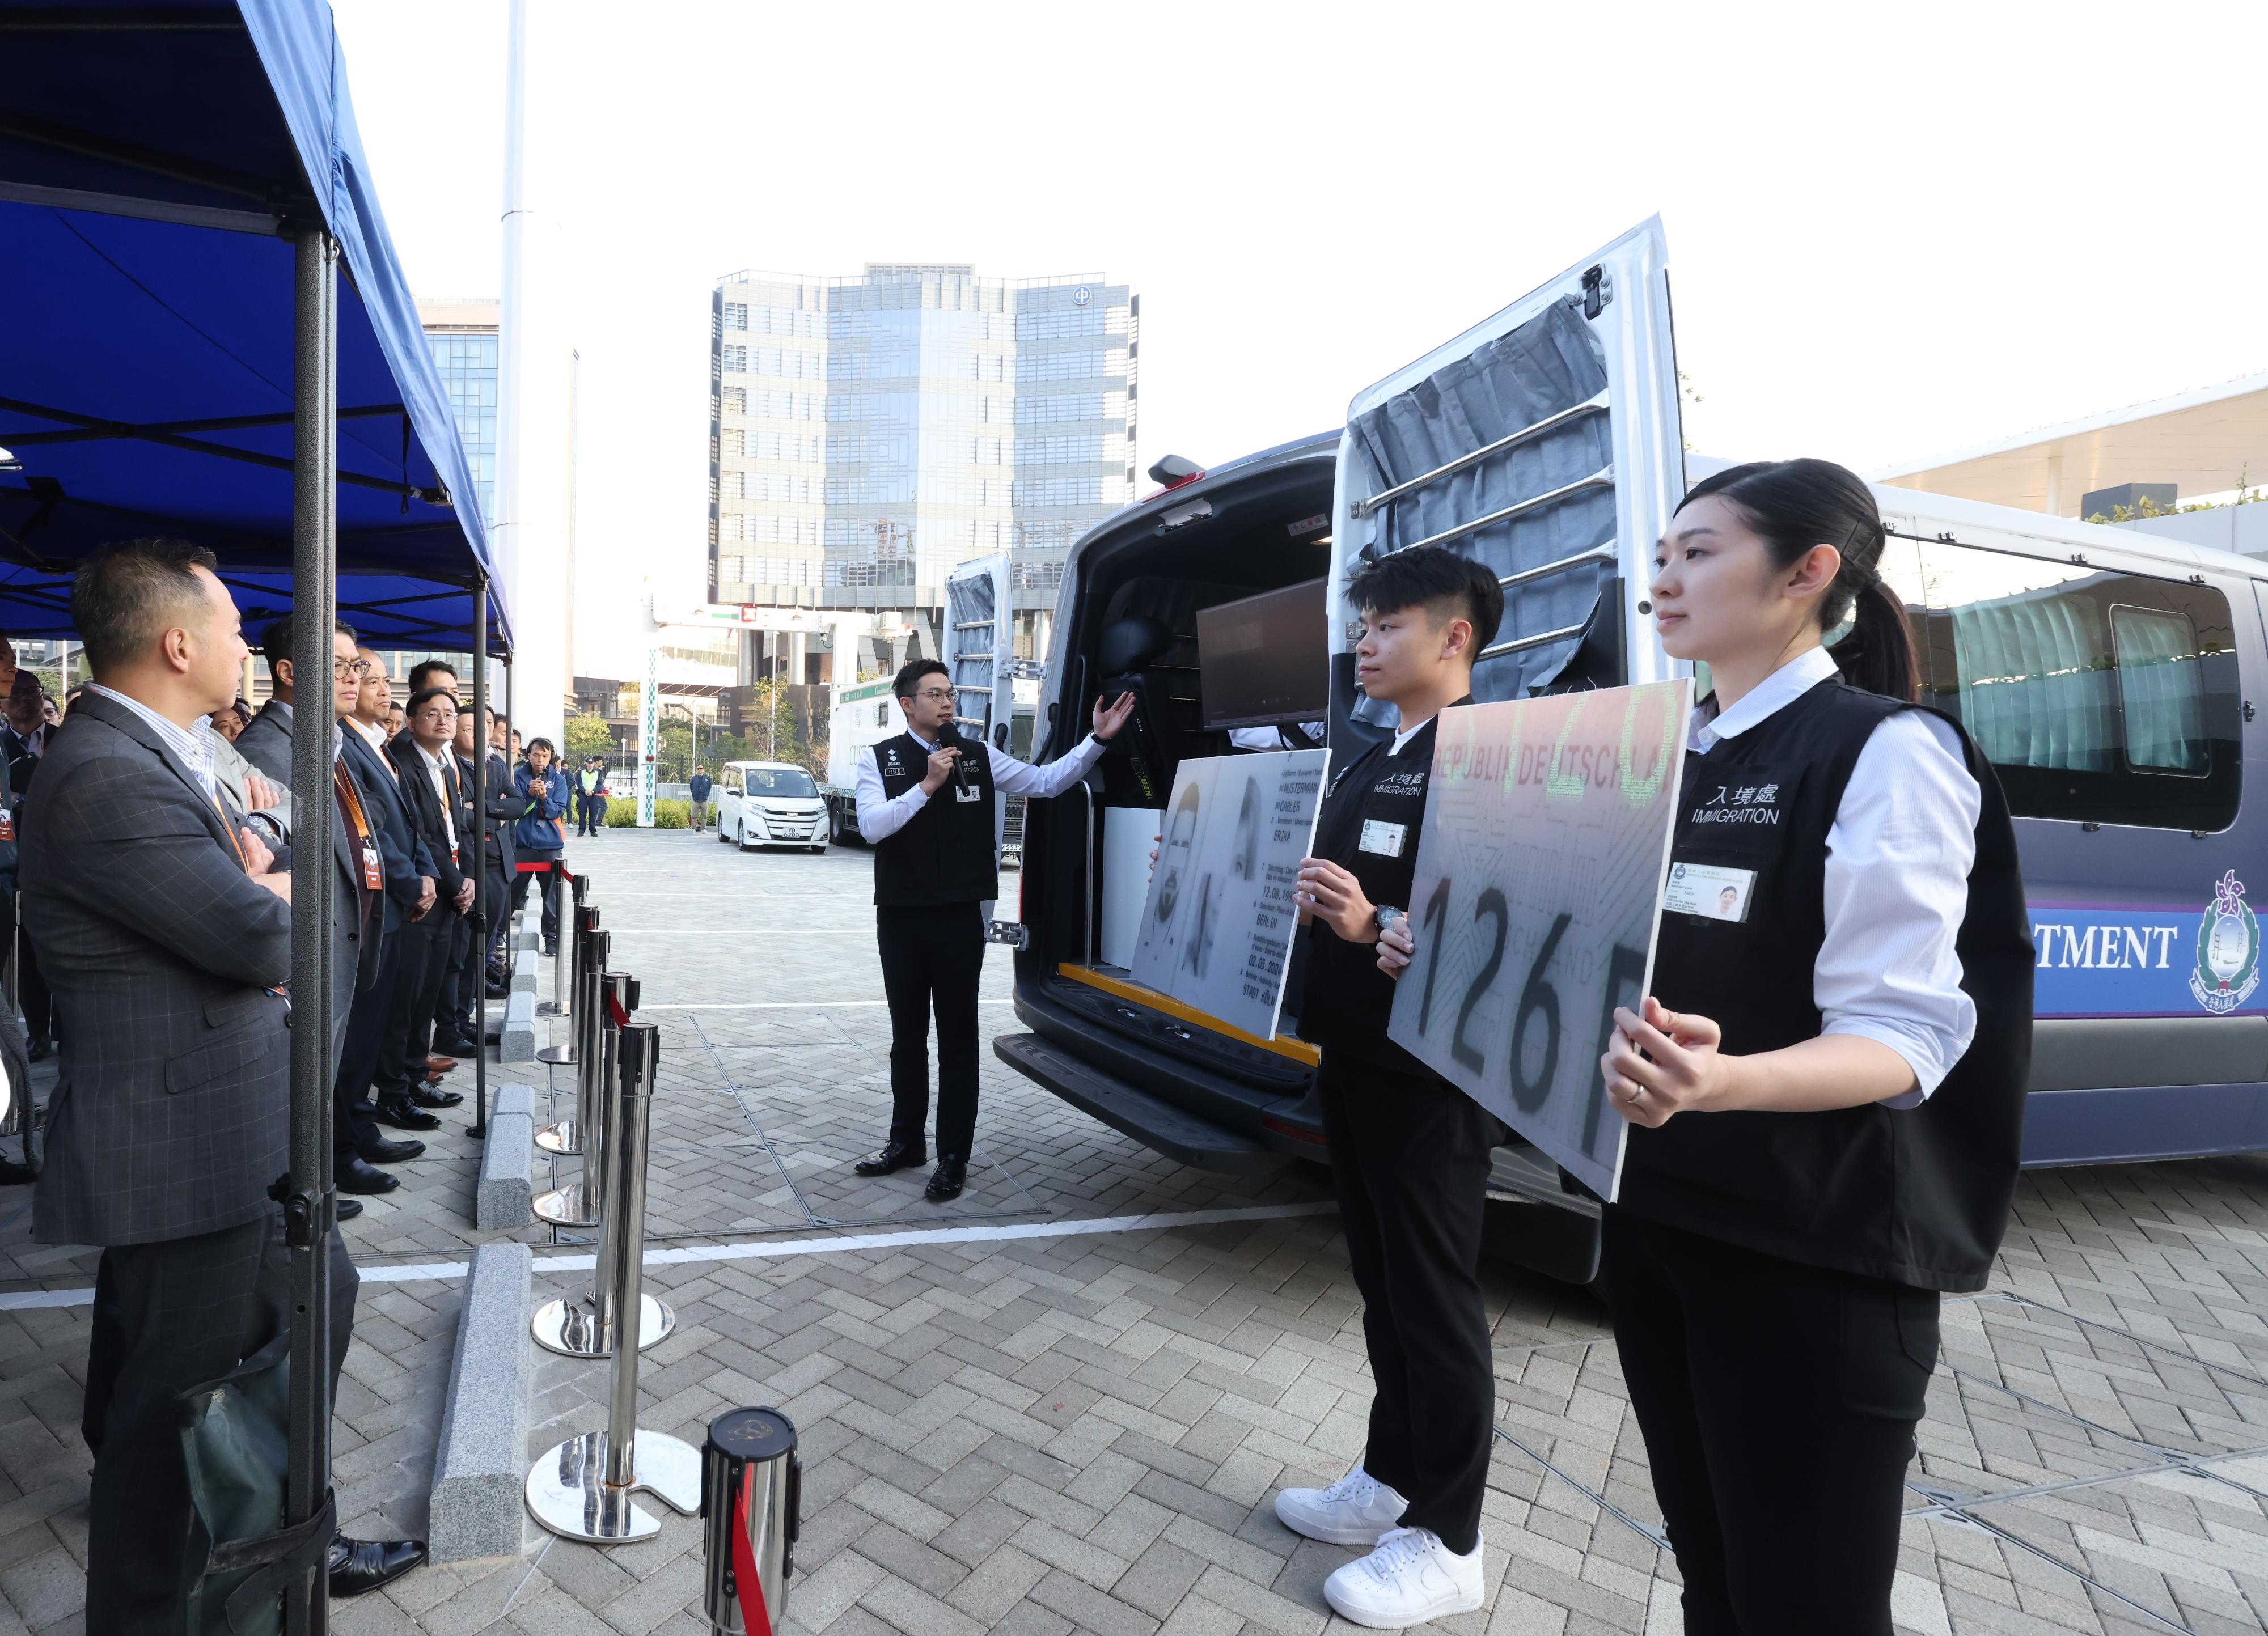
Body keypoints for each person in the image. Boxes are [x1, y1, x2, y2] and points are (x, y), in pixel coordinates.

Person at [1584, 460, 2031, 1634]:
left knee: (1806, 1608)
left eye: (1697, 553)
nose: (1662, 579)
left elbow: (1903, 1037)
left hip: (1808, 1258)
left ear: (1804, 573)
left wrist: (1723, 1083)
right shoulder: (1676, 747)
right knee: (1715, 1585)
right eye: (1662, 555)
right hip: (1663, 1223)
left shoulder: (1885, 752)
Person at [24, 540, 421, 1630]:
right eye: (239, 624)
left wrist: (259, 859)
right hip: (184, 1144)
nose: (253, 642)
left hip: (231, 1128)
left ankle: (264, 1551)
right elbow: (259, 930)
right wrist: (268, 879)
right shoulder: (107, 770)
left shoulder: (169, 749)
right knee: (170, 1422)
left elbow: (267, 848)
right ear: (177, 641)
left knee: (302, 1316)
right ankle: (163, 1603)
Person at [1269, 545, 1503, 1629]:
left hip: (1431, 1077)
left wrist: (1373, 927)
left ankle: (1450, 1535)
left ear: (1455, 638)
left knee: (1435, 1297)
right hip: (1356, 1056)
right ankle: (1390, 1478)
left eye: (1388, 625)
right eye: (1362, 625)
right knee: (1383, 1285)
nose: (1363, 643)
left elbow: (1505, 929)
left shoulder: (1487, 757)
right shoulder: (1373, 752)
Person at [852, 659, 1135, 1201]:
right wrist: (928, 785)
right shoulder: (879, 758)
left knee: (958, 1039)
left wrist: (1095, 742)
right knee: (907, 1037)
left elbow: (1047, 782)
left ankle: (953, 1158)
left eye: (950, 693)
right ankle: (905, 1141)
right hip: (903, 918)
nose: (946, 702)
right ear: (907, 703)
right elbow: (871, 826)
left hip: (961, 916)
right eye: (934, 694)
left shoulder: (978, 755)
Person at [376, 688, 475, 1116]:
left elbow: (456, 830)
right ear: (412, 721)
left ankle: (416, 1077)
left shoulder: (444, 766)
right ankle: (396, 1089)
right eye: (431, 713)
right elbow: (424, 839)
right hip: (423, 894)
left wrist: (466, 878)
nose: (443, 720)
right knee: (408, 998)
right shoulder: (403, 762)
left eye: (450, 713)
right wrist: (455, 882)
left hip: (449, 890)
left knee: (428, 994)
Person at [511, 738, 570, 953]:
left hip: (549, 846)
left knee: (552, 896)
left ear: (551, 757)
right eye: (536, 755)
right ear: (528, 755)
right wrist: (528, 795)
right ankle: (498, 935)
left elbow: (557, 812)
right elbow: (513, 809)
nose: (541, 760)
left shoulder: (559, 780)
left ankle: (552, 939)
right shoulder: (517, 776)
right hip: (521, 844)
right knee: (510, 893)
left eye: (545, 756)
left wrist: (544, 797)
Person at [576, 755, 610, 834]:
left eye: (592, 763)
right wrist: (584, 791)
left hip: (593, 796)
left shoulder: (597, 773)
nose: (590, 765)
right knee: (582, 814)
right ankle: (581, 831)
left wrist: (593, 792)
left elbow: (599, 784)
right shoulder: (581, 772)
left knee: (593, 814)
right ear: (586, 764)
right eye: (589, 763)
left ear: (594, 763)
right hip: (583, 795)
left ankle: (593, 831)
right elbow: (579, 783)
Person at [687, 763, 712, 832]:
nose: (699, 770)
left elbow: (709, 788)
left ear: (704, 770)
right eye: (698, 769)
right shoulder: (694, 779)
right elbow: (691, 788)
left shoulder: (707, 779)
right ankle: (694, 829)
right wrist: (694, 795)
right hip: (696, 800)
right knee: (694, 815)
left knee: (704, 815)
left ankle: (704, 829)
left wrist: (706, 795)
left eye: (701, 768)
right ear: (696, 770)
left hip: (704, 800)